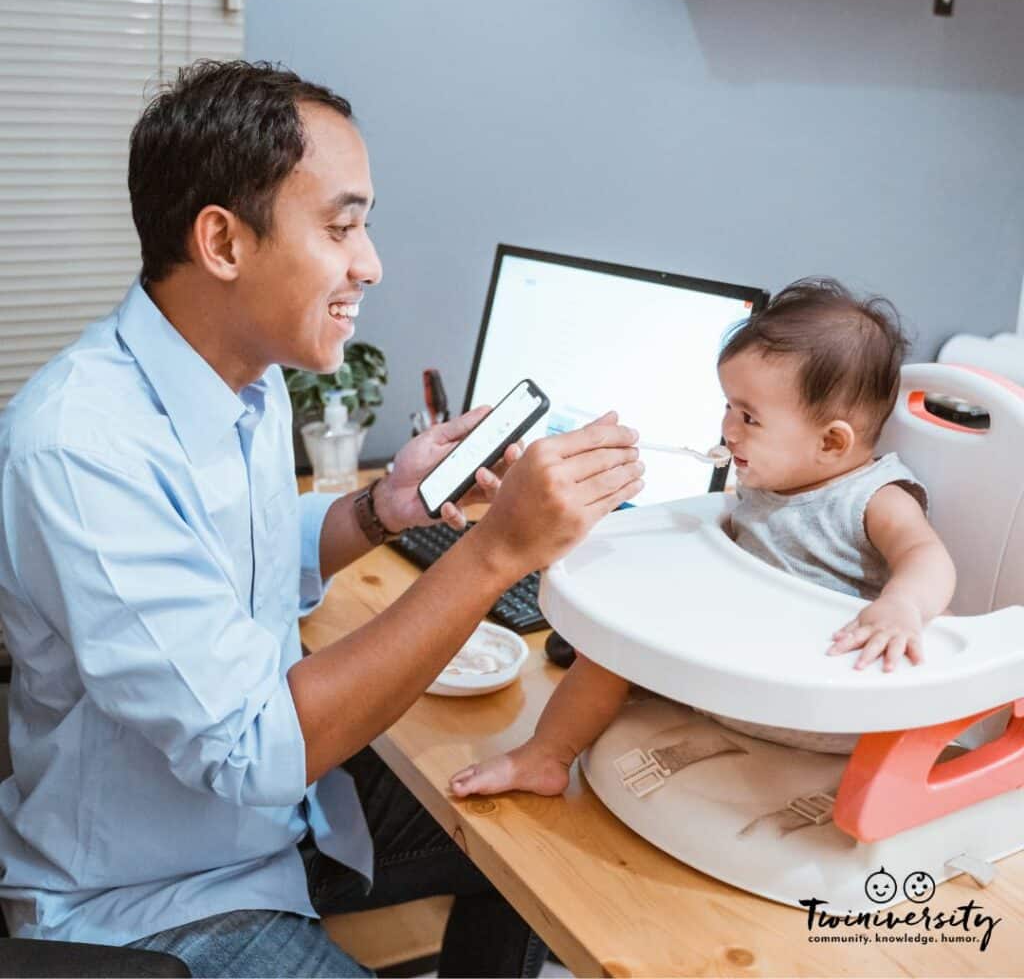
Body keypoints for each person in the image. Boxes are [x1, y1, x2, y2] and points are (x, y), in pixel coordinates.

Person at [0, 60, 646, 978]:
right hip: (159, 901)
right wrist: (497, 554)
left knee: (545, 824)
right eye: (341, 227)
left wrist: (381, 511)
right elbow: (256, 748)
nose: (370, 264)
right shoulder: (81, 448)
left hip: (281, 819)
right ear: (224, 243)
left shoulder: (243, 382)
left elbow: (246, 561)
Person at [449, 279, 957, 799]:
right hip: (732, 672)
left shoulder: (873, 498)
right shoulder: (769, 479)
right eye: (728, 408)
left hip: (816, 700)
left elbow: (927, 556)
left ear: (831, 442)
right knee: (610, 647)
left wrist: (903, 607)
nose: (728, 430)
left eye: (749, 418)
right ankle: (545, 755)